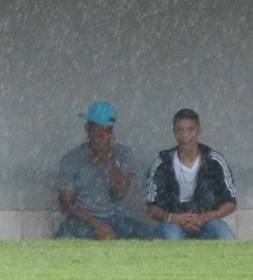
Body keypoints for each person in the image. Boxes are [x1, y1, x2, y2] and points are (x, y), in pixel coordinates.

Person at [55, 101, 156, 240]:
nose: (102, 136)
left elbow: (120, 193)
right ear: (87, 129)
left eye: (107, 130)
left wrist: (108, 159)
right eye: (98, 130)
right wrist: (96, 224)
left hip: (115, 218)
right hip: (83, 220)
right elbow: (65, 204)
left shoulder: (124, 154)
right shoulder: (71, 159)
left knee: (150, 236)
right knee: (66, 234)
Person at [145, 108, 236, 240]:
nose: (185, 135)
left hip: (207, 220)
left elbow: (230, 201)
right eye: (180, 130)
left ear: (198, 131)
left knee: (225, 236)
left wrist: (206, 216)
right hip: (172, 222)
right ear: (174, 133)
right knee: (172, 237)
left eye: (190, 130)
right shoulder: (162, 163)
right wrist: (172, 217)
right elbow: (151, 205)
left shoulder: (214, 161)